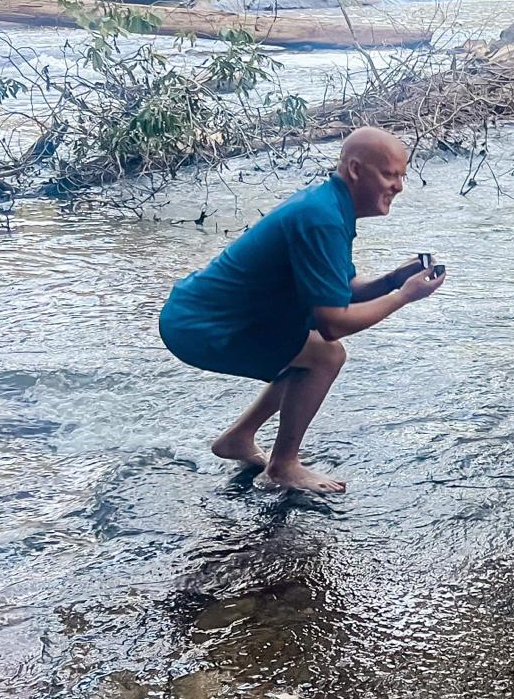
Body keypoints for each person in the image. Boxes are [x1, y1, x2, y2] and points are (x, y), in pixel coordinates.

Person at [158, 127, 445, 494]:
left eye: (402, 176)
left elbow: (343, 290)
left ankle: (239, 438)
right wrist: (403, 296)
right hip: (201, 325)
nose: (399, 187)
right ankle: (283, 466)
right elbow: (333, 323)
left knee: (309, 351)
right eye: (390, 175)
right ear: (355, 170)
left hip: (208, 314)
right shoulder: (322, 217)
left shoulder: (329, 205)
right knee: (325, 354)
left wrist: (392, 280)